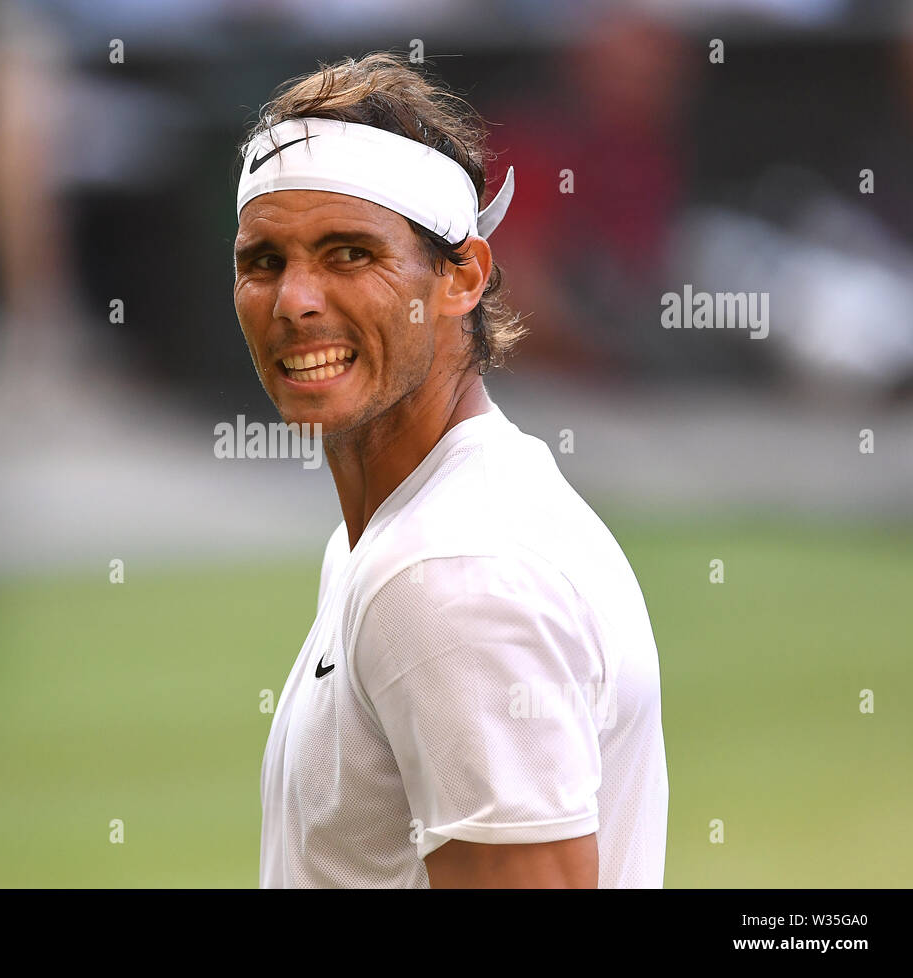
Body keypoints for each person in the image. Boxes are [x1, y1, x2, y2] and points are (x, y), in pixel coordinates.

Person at [231, 53, 668, 888]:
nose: (294, 301)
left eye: (350, 254)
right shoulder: (417, 532)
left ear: (462, 277)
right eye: (264, 261)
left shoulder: (448, 573)